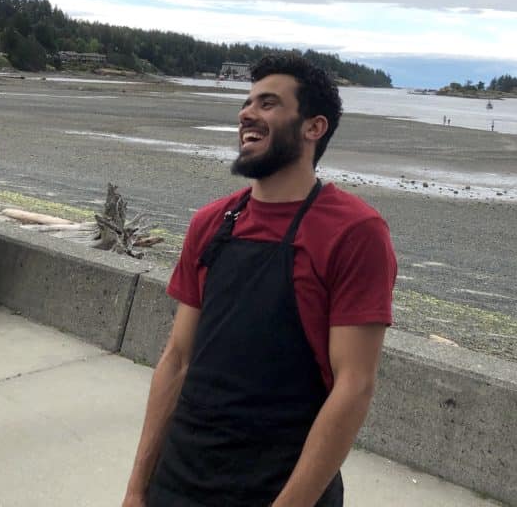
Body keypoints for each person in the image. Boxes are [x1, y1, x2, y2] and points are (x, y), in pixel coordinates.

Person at [123, 53, 397, 507]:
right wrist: (137, 487)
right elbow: (177, 360)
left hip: (279, 487)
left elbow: (354, 386)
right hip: (178, 479)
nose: (246, 114)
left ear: (314, 127)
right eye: (247, 103)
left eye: (268, 104)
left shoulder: (354, 232)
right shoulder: (211, 222)